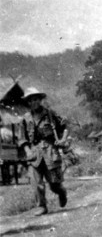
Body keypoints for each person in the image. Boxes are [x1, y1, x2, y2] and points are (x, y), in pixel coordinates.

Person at [18, 87, 68, 216]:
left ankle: (61, 192)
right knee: (36, 183)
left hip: (50, 151)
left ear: (40, 100)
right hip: (34, 153)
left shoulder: (50, 114)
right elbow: (22, 138)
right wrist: (27, 150)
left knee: (54, 184)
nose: (33, 102)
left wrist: (62, 140)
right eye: (30, 100)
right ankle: (41, 206)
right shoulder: (25, 118)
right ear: (28, 102)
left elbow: (64, 127)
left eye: (36, 99)